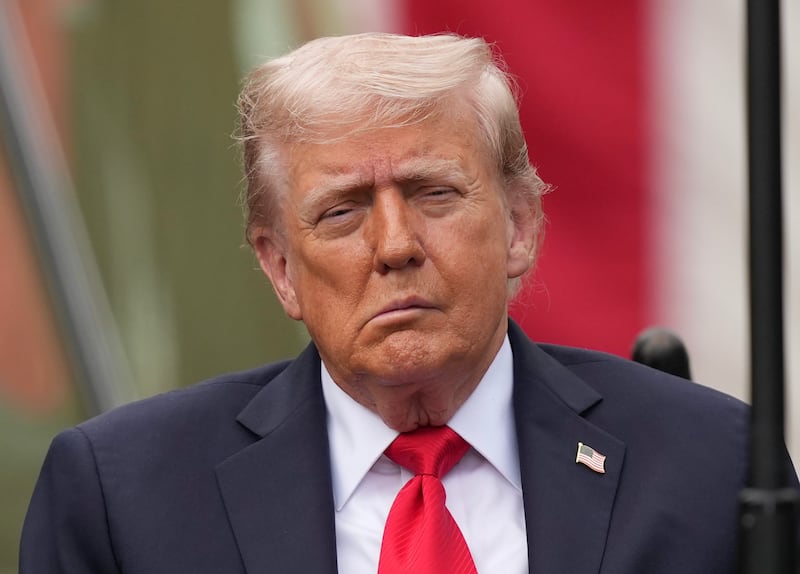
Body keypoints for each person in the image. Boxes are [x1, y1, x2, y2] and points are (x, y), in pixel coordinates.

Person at [19, 32, 780, 574]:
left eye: (434, 193)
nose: (394, 245)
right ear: (280, 267)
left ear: (519, 226)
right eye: (341, 211)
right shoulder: (122, 499)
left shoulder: (710, 465)